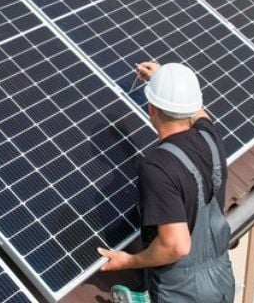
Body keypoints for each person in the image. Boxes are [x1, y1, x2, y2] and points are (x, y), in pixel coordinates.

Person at [97, 61, 235, 303]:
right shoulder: (210, 138)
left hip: (183, 293)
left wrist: (129, 260)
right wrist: (167, 81)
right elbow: (200, 114)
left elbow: (176, 246)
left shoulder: (157, 166)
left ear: (151, 109)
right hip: (221, 280)